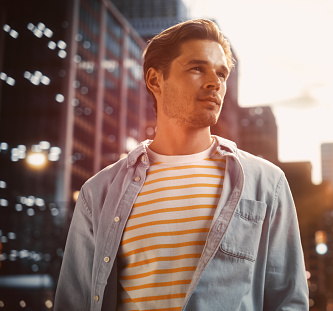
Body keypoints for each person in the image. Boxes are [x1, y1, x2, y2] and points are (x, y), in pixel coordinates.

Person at [54, 19, 308, 311]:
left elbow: (289, 301)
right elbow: (72, 302)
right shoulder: (98, 192)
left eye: (222, 73)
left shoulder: (266, 182)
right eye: (197, 68)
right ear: (155, 80)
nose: (215, 82)